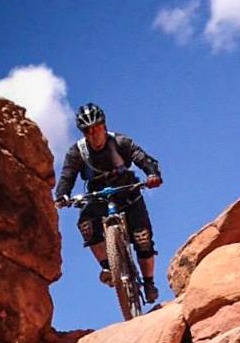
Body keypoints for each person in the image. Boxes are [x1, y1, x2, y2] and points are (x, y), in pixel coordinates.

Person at [55, 103, 163, 305]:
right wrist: (62, 196)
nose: (93, 134)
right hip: (98, 197)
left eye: (96, 127)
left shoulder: (120, 142)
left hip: (128, 192)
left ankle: (148, 282)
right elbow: (67, 176)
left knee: (142, 238)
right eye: (88, 131)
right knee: (86, 224)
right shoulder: (77, 152)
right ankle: (107, 266)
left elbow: (142, 158)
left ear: (104, 126)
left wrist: (152, 174)